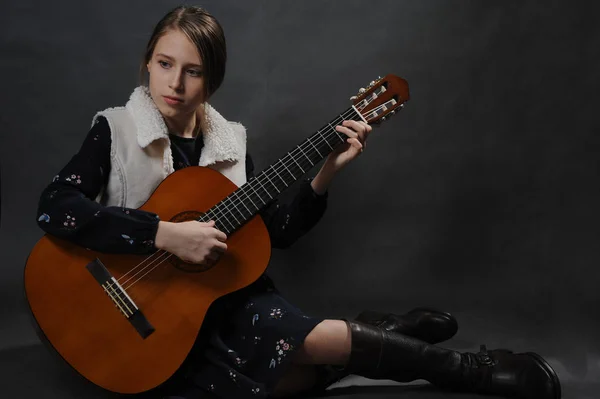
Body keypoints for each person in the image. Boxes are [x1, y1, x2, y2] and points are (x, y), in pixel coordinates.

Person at [35, 5, 561, 399]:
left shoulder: (230, 144)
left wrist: (326, 172)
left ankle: (473, 370)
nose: (173, 82)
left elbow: (277, 231)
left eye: (192, 70)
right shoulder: (117, 129)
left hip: (226, 300)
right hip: (157, 310)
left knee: (296, 350)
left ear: (211, 79)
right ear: (147, 63)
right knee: (286, 383)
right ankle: (380, 331)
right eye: (164, 63)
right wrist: (164, 234)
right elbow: (55, 206)